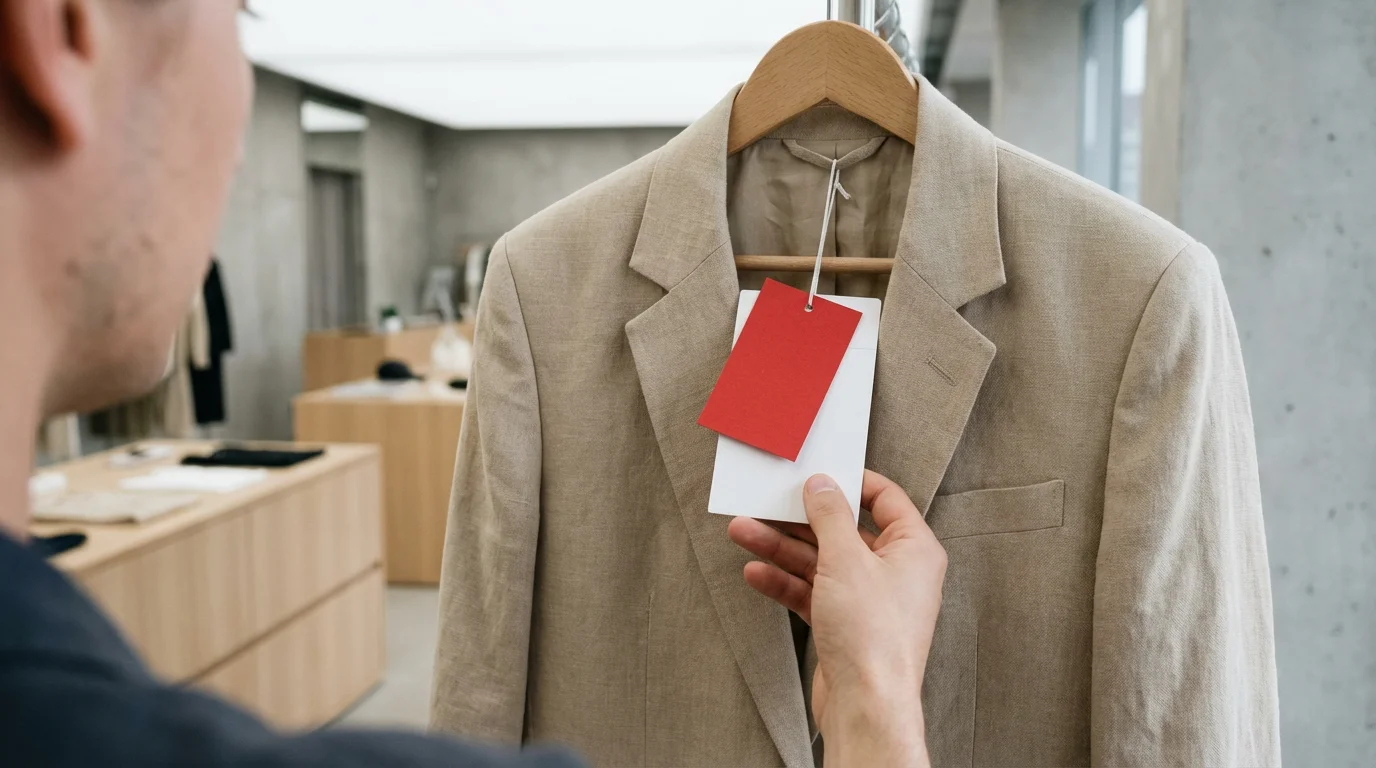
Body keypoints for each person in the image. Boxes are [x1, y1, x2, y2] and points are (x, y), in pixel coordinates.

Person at [0, 1, 948, 766]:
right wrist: (880, 724)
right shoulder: (543, 276)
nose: (242, 138)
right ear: (65, 26)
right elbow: (485, 651)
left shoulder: (1097, 279)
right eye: (240, 15)